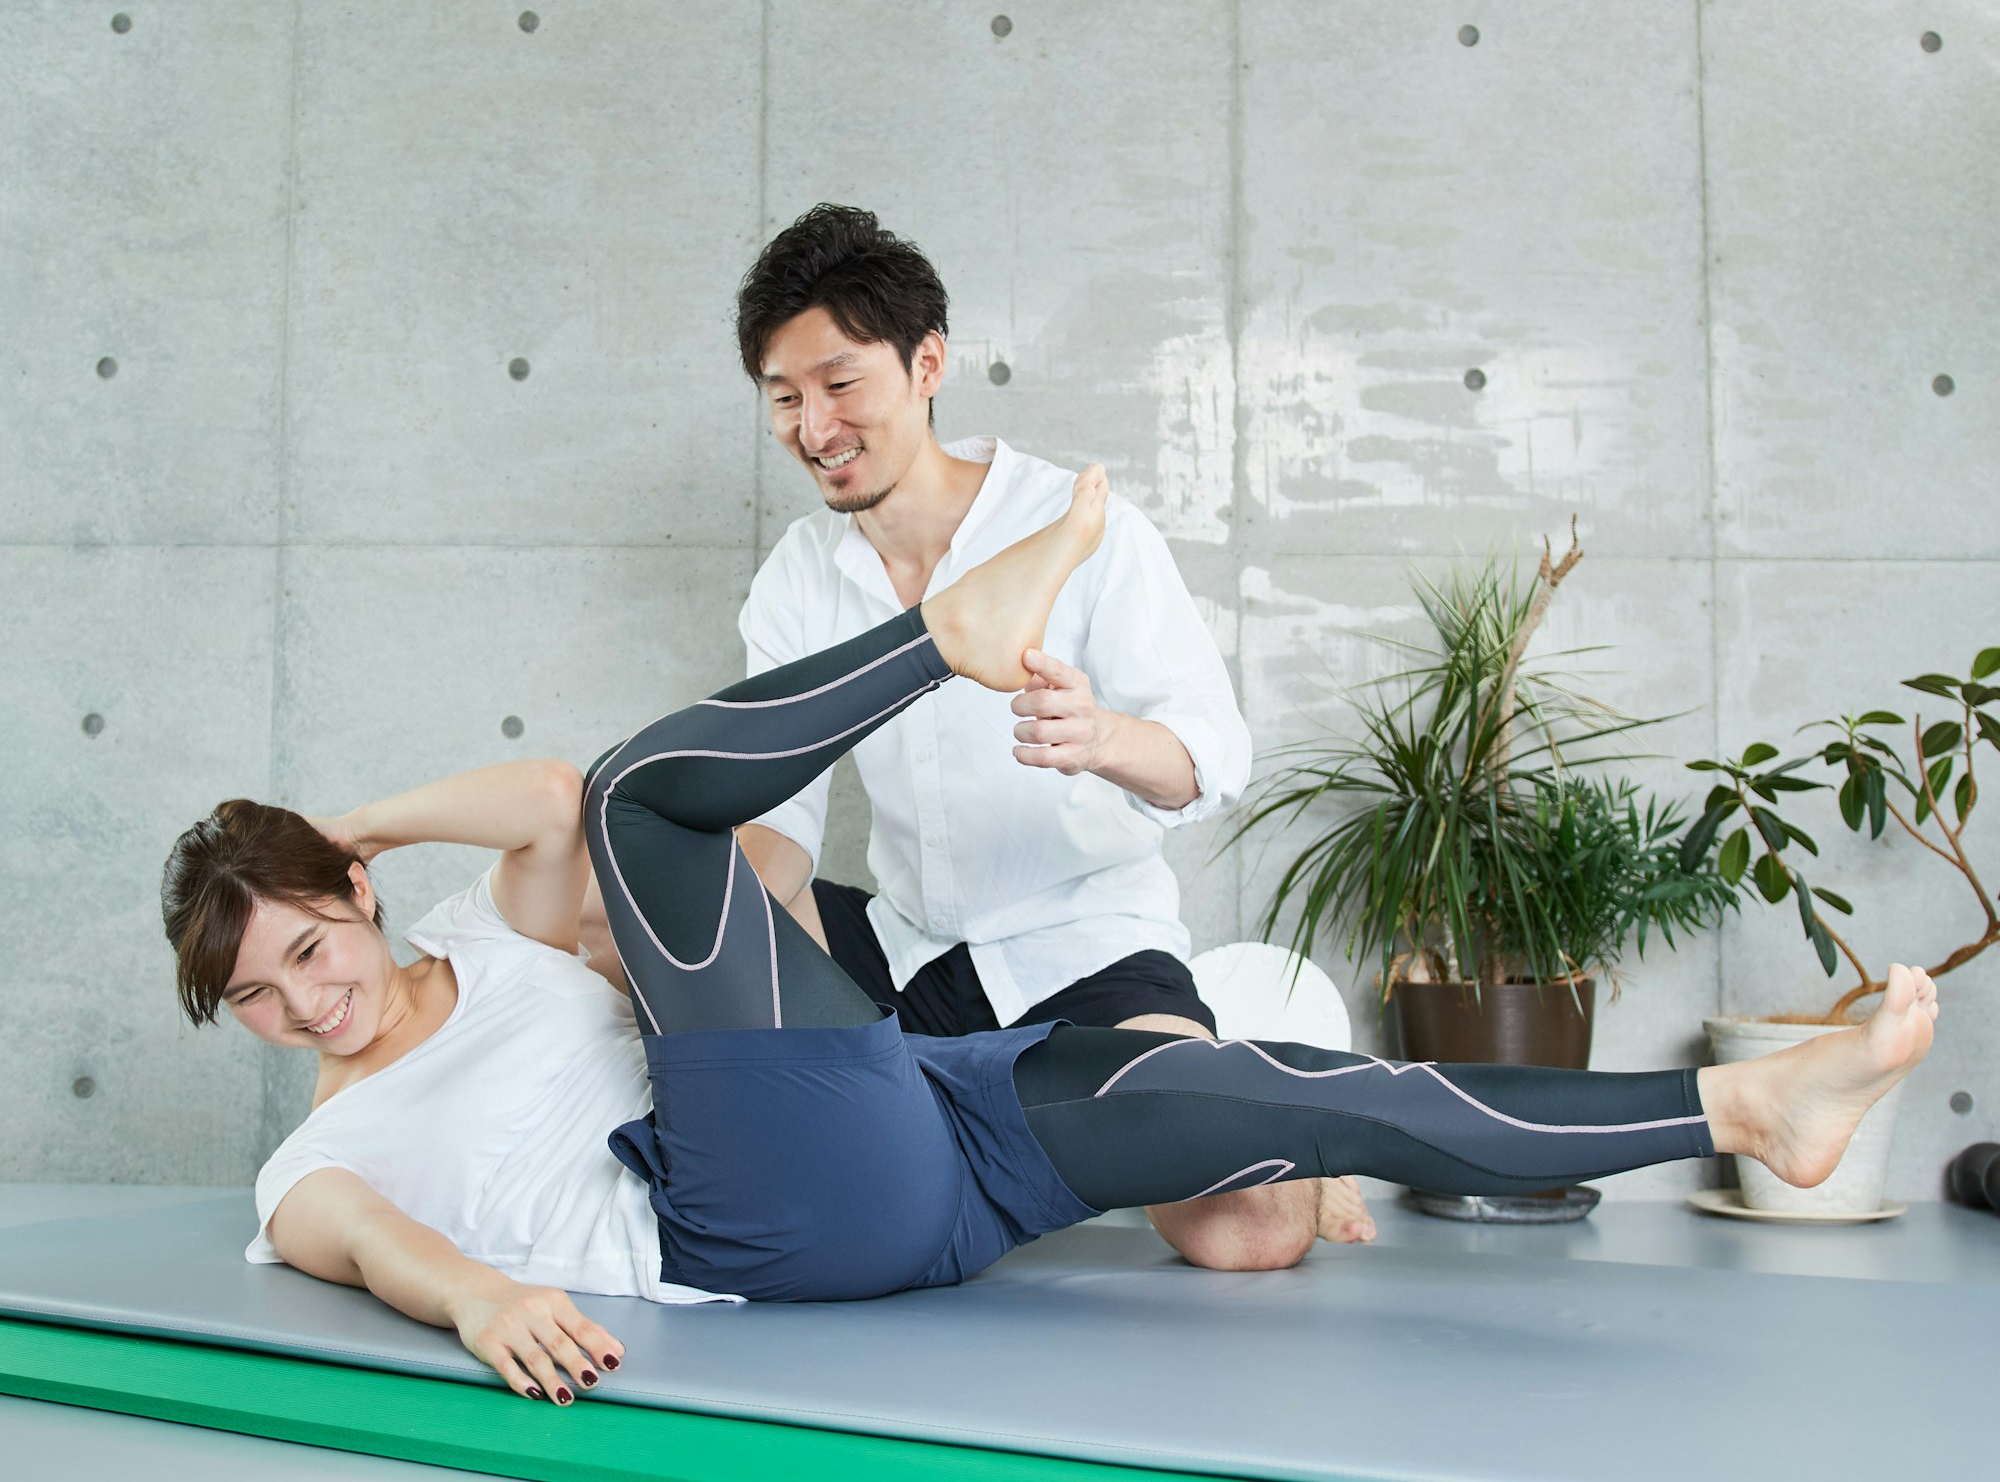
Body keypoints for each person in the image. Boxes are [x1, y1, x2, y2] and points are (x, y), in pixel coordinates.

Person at [166, 472, 1939, 1406]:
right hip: (762, 1212)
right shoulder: (324, 1155)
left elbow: (546, 795)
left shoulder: (490, 938)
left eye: (308, 950)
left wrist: (371, 817)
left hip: (932, 1134)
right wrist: (484, 1301)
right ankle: (954, 634)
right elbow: (372, 1245)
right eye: (256, 1001)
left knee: (1290, 1094)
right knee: (657, 804)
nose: (302, 1006)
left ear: (356, 902)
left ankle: (1746, 1115)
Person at [733, 202, 1373, 1265]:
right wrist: (717, 931)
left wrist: (1101, 736)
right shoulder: (799, 578)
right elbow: (781, 827)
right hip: (904, 950)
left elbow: (1207, 757)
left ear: (925, 363)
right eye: (784, 397)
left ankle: (1258, 1112)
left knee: (1245, 1238)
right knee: (630, 909)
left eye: (841, 385)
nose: (814, 427)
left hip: (1082, 946)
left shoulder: (1082, 525)